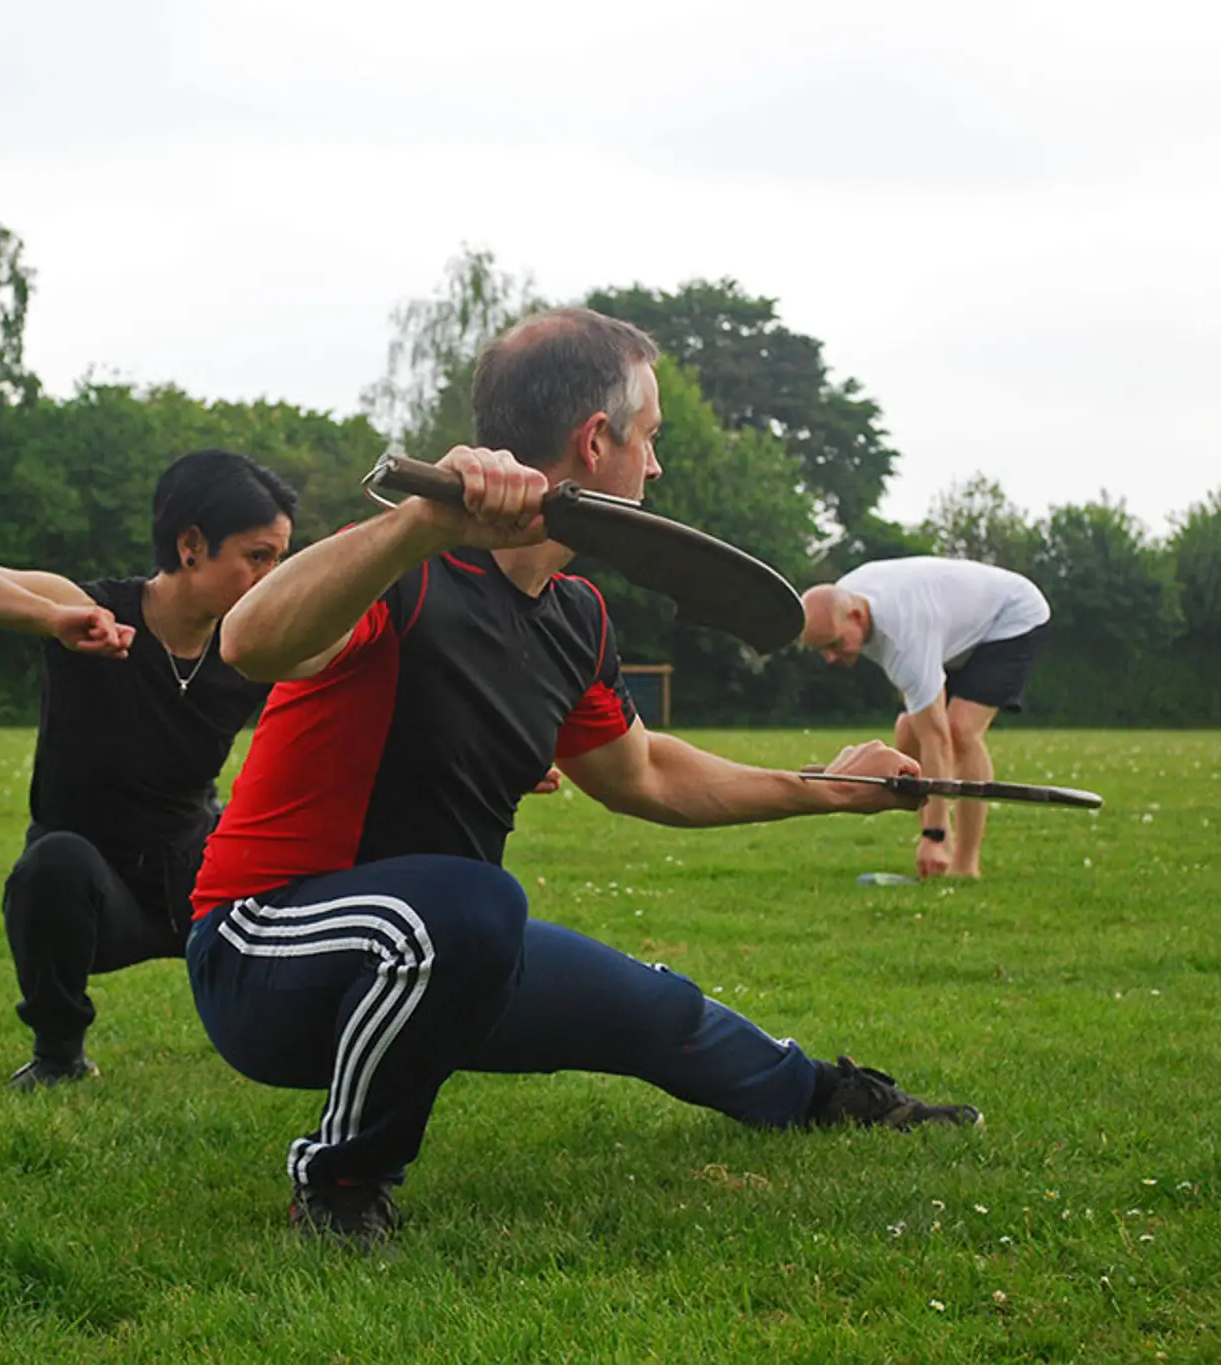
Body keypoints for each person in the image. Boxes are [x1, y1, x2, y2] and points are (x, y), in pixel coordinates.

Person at [187, 307, 981, 1244]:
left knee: (652, 1008)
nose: (655, 467)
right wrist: (416, 525)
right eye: (649, 439)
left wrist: (821, 788)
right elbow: (248, 639)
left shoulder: (576, 618)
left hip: (445, 950)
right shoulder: (402, 571)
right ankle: (342, 1179)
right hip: (264, 951)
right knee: (480, 905)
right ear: (595, 440)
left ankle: (818, 1096)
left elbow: (643, 773)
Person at [0, 449, 296, 1089]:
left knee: (299, 860)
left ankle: (298, 1039)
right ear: (192, 545)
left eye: (279, 559)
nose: (271, 577)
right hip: (92, 887)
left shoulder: (249, 645)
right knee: (51, 865)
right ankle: (59, 1056)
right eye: (258, 557)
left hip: (192, 876)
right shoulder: (94, 612)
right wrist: (53, 619)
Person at [799, 559, 1050, 881]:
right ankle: (940, 847)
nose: (830, 658)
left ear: (857, 616)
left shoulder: (903, 636)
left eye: (834, 644)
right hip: (952, 627)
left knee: (959, 731)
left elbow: (938, 740)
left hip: (1010, 616)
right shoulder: (846, 600)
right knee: (908, 729)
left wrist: (933, 835)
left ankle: (964, 865)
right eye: (822, 649)